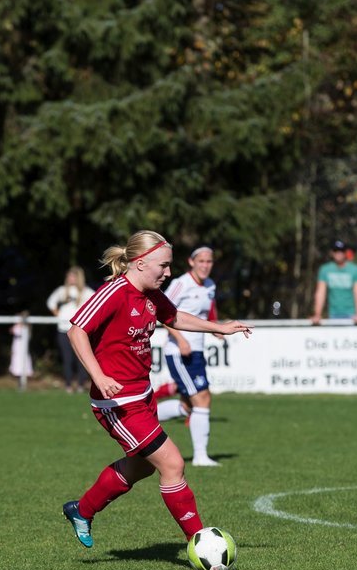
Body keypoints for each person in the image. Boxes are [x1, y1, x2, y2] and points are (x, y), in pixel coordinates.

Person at [61, 230, 252, 549]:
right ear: (138, 263)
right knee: (173, 463)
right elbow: (77, 330)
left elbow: (174, 316)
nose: (168, 273)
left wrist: (219, 327)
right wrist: (99, 375)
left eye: (169, 266)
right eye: (162, 266)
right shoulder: (115, 292)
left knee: (140, 468)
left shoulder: (150, 293)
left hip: (142, 395)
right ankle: (201, 543)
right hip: (117, 402)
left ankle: (81, 510)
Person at [162, 245, 222, 466]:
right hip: (179, 351)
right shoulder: (180, 283)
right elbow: (162, 312)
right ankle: (200, 456)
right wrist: (181, 339)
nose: (205, 266)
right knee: (202, 398)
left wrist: (215, 329)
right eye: (202, 261)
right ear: (191, 262)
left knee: (188, 405)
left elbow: (208, 314)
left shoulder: (210, 285)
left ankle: (145, 418)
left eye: (209, 262)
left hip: (197, 350)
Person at [46, 266, 94, 392]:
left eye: (73, 276)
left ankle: (80, 385)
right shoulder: (62, 291)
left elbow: (95, 307)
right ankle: (68, 385)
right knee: (67, 359)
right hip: (63, 330)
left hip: (80, 331)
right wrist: (59, 315)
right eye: (69, 276)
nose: (70, 278)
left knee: (81, 358)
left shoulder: (86, 292)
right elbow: (50, 303)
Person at [311, 239, 357, 324]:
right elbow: (320, 293)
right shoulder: (325, 270)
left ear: (345, 252)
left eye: (341, 251)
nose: (339, 253)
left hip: (352, 316)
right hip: (333, 315)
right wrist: (317, 314)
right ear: (332, 252)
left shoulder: (356, 270)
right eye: (336, 251)